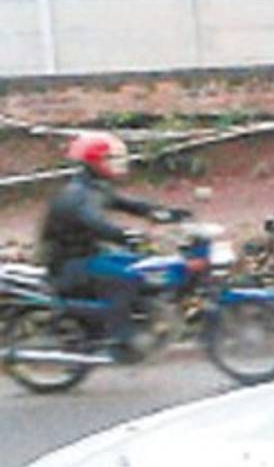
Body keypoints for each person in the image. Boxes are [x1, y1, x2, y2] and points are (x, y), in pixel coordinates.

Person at [38, 131, 189, 357]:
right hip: (69, 264)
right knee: (126, 277)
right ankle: (123, 338)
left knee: (142, 266)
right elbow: (94, 223)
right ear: (95, 162)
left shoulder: (95, 187)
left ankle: (143, 316)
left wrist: (165, 213)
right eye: (111, 159)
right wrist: (125, 235)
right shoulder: (77, 194)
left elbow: (129, 204)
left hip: (89, 255)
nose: (118, 163)